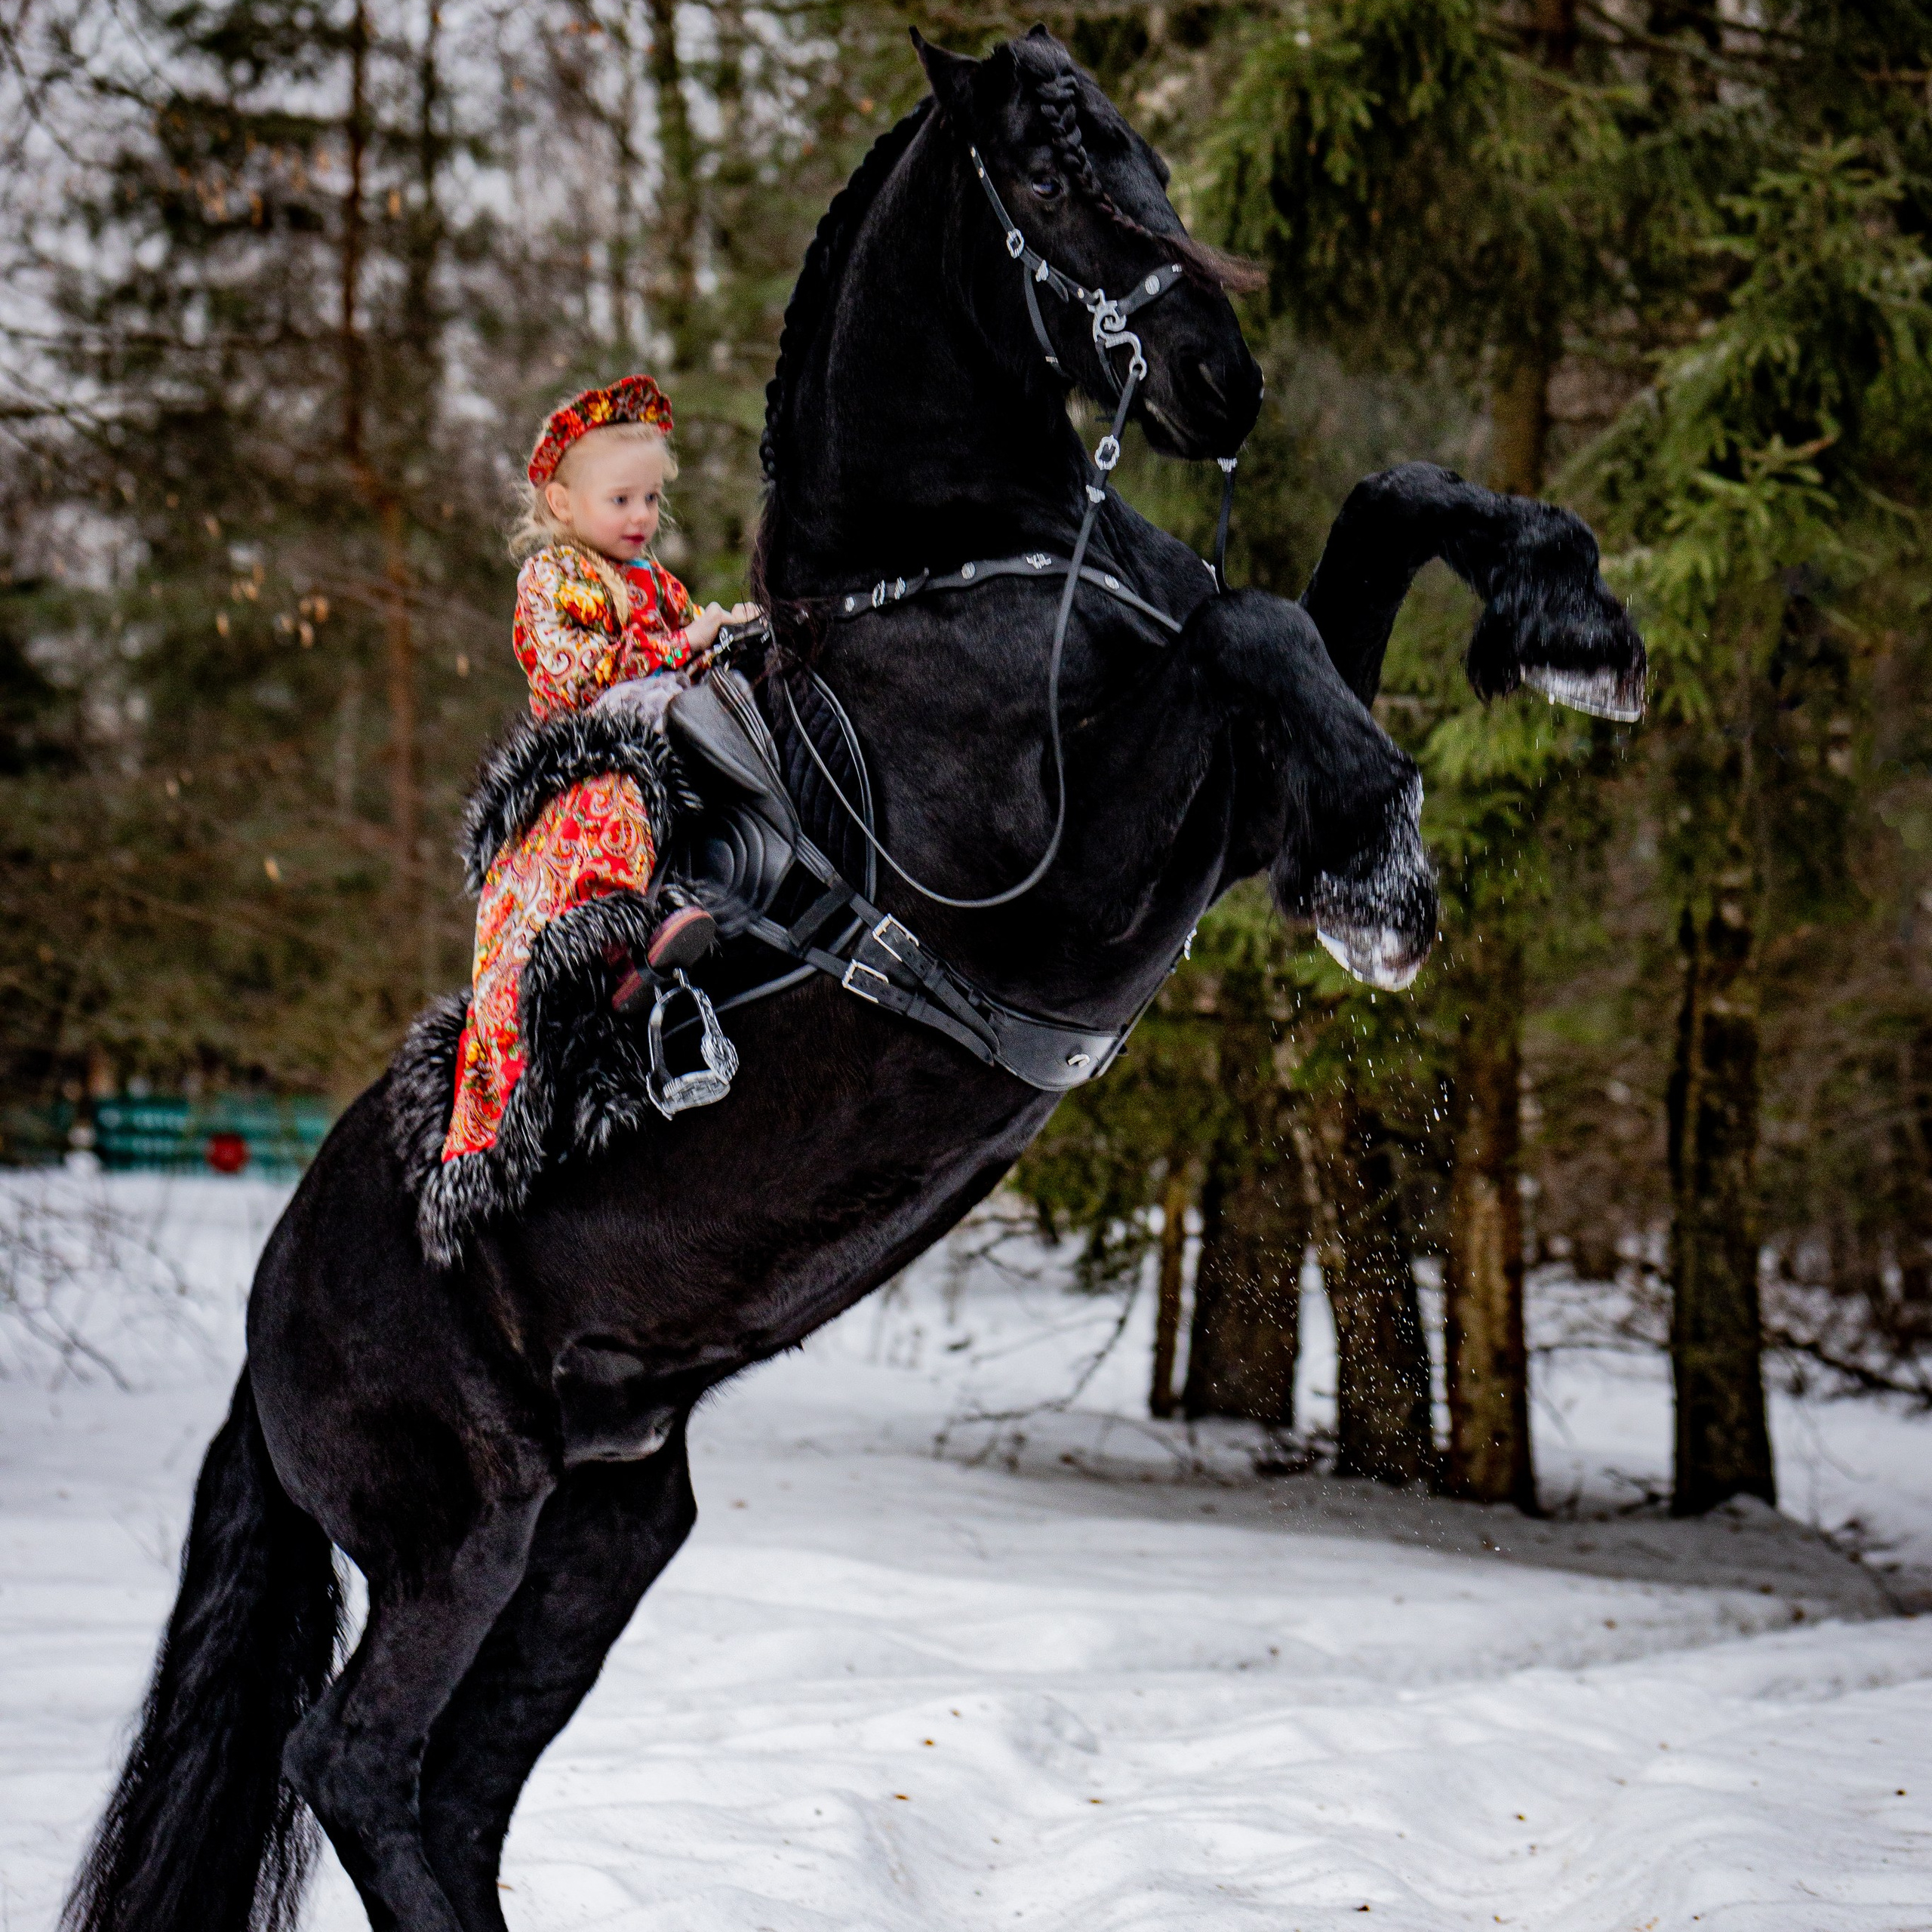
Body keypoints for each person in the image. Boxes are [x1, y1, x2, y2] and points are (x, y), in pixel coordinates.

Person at [441, 373, 758, 1171]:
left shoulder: (656, 583)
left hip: (657, 729)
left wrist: (727, 637)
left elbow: (689, 648)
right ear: (561, 505)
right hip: (588, 750)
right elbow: (573, 675)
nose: (642, 518)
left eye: (651, 499)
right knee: (620, 795)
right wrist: (680, 649)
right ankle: (621, 947)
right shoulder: (550, 582)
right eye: (621, 500)